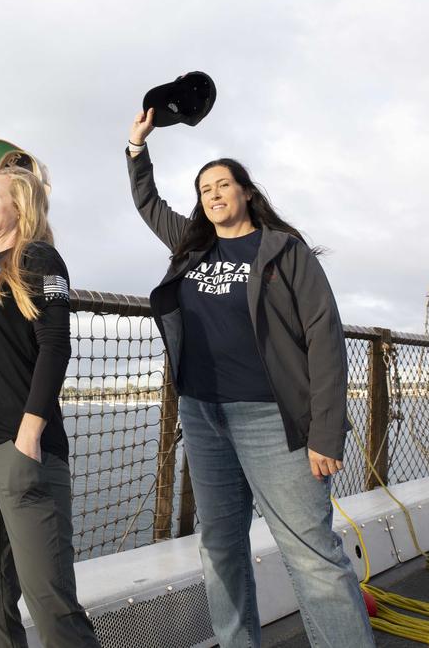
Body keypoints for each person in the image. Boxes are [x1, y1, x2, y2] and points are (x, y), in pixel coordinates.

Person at [125, 108, 374, 648]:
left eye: (223, 184)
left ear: (244, 192)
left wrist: (325, 433)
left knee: (311, 553)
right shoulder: (192, 247)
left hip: (272, 419)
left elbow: (325, 341)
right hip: (203, 413)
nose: (213, 194)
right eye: (205, 189)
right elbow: (148, 204)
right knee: (220, 547)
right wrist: (138, 149)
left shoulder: (285, 252)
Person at [0, 160, 99, 648]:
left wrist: (29, 434)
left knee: (50, 602)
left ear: (19, 206)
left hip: (22, 448)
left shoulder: (42, 261)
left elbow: (56, 345)